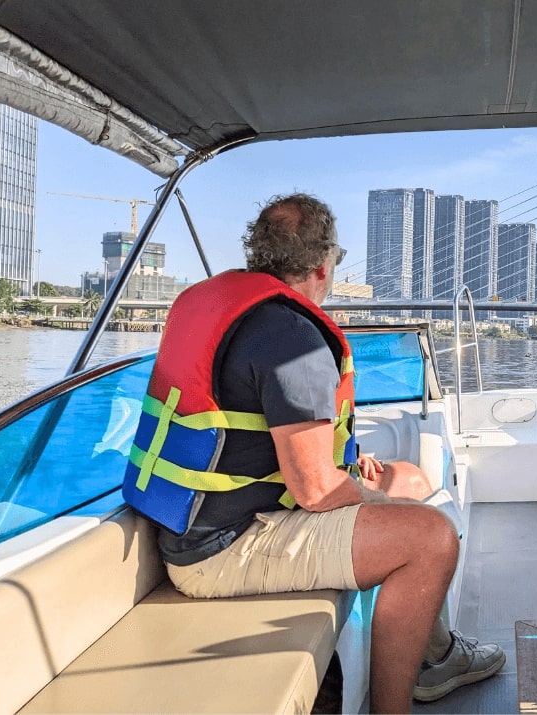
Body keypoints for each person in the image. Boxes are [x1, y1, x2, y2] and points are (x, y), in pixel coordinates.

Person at [123, 193, 503, 713]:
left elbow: (260, 443)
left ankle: (434, 653)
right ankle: (403, 697)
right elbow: (317, 488)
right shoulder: (292, 337)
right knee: (431, 537)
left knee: (410, 481)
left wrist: (376, 485)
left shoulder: (229, 309)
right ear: (323, 266)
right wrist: (384, 505)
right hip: (224, 549)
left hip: (206, 522)